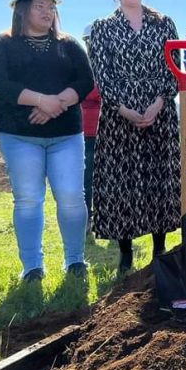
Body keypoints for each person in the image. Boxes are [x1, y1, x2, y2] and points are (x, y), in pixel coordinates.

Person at [0, 0, 93, 282]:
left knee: (71, 196)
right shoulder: (1, 45)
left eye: (51, 6)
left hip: (67, 136)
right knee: (29, 199)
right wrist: (42, 100)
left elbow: (85, 80)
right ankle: (32, 267)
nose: (48, 11)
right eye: (40, 6)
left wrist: (58, 103)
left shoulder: (69, 45)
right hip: (19, 136)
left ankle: (75, 261)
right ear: (22, 9)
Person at [88, 0, 180, 275]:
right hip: (119, 117)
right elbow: (102, 75)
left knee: (160, 181)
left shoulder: (164, 23)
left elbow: (173, 68)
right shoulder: (102, 28)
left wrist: (157, 103)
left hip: (160, 113)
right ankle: (125, 254)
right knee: (122, 184)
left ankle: (160, 249)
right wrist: (125, 109)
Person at [79, 24, 100, 233]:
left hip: (112, 130)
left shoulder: (114, 63)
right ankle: (86, 219)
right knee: (86, 178)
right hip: (87, 132)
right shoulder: (81, 65)